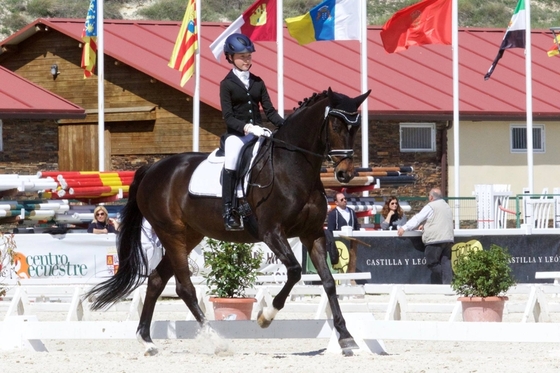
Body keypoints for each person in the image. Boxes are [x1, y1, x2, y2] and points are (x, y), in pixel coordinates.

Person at [219, 33, 284, 231]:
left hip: (259, 132)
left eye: (248, 56)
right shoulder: (226, 84)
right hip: (237, 135)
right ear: (230, 57)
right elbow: (228, 116)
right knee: (231, 161)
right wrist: (247, 127)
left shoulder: (258, 82)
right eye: (242, 56)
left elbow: (270, 111)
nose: (246, 60)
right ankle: (229, 210)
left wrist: (286, 126)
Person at [397, 187, 454, 284]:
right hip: (448, 238)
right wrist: (425, 225)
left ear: (431, 197)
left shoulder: (431, 206)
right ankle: (448, 284)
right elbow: (438, 220)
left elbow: (418, 218)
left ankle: (448, 278)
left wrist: (404, 228)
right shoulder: (447, 206)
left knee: (431, 263)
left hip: (435, 239)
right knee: (445, 262)